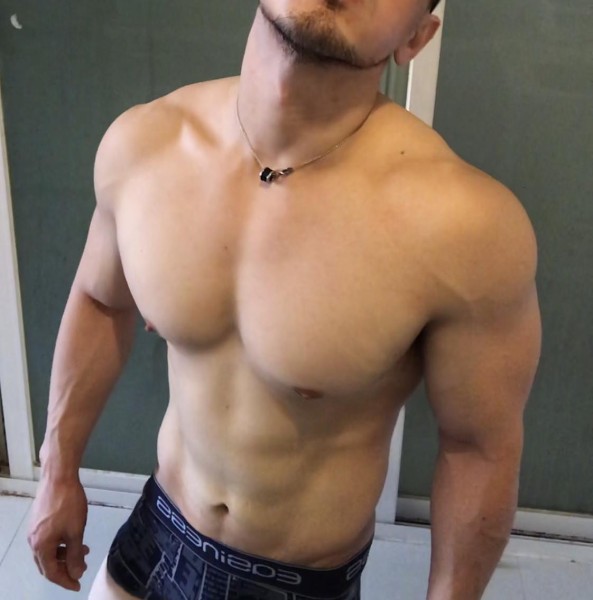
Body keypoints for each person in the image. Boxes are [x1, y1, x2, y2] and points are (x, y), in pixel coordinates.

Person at [27, 0, 542, 598]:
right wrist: (57, 469)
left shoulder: (466, 227)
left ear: (415, 38)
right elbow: (101, 300)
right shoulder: (146, 143)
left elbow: (478, 451)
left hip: (293, 583)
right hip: (153, 534)